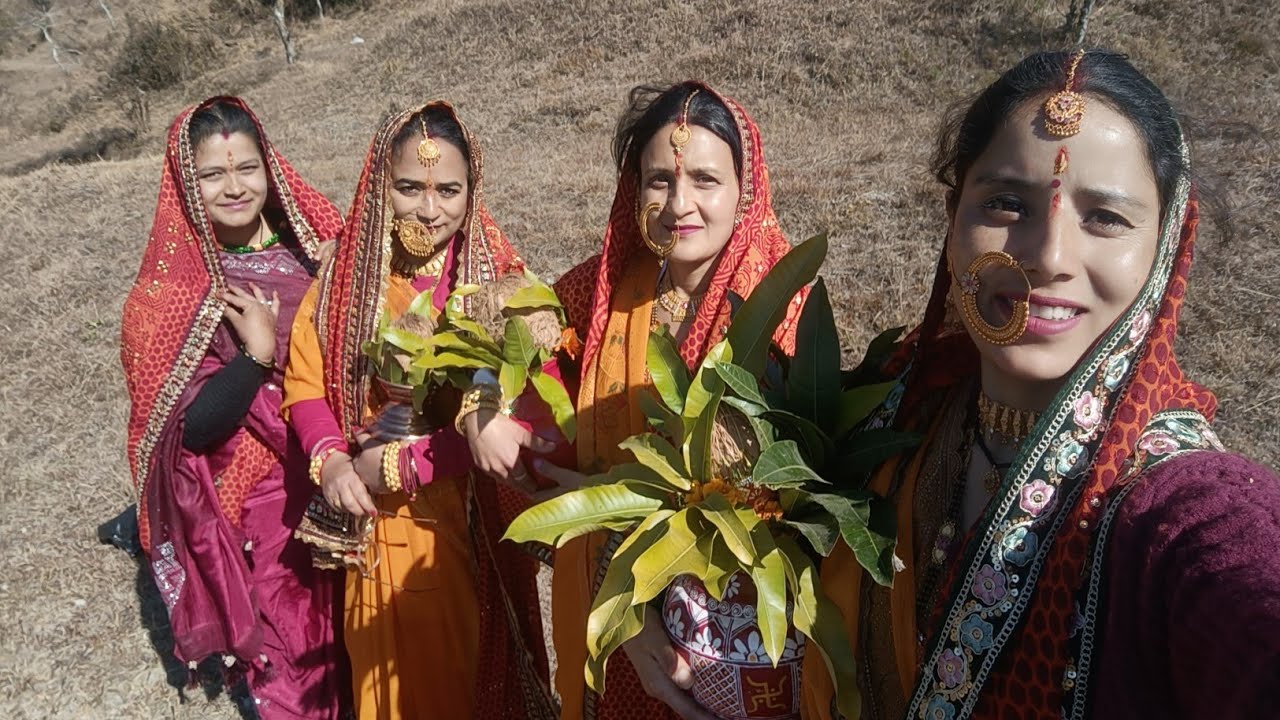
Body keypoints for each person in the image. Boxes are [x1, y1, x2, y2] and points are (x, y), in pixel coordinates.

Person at [800, 49, 1280, 719]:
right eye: (1004, 203)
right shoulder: (892, 415)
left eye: (1106, 218)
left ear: (1166, 246)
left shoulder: (1183, 509)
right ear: (952, 217)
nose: (1048, 257)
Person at [537, 81, 808, 720]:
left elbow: (779, 508)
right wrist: (485, 407)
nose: (678, 204)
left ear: (747, 192)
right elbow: (517, 329)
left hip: (717, 637)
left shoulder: (777, 308)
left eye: (706, 181)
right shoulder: (610, 287)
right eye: (658, 180)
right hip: (618, 617)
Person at [281, 101, 556, 720]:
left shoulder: (500, 284)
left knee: (477, 668)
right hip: (383, 524)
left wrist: (413, 465)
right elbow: (305, 386)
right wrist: (332, 466)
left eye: (448, 190)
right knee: (399, 680)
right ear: (380, 185)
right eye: (409, 187)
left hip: (475, 513)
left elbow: (526, 422)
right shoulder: (346, 284)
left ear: (472, 190)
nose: (428, 210)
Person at [120, 96, 346, 718]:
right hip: (265, 491)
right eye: (212, 175)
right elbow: (187, 430)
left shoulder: (319, 248)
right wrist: (254, 357)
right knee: (297, 647)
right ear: (185, 186)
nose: (234, 187)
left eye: (246, 168)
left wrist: (347, 274)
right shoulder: (168, 297)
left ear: (269, 167)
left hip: (351, 461)